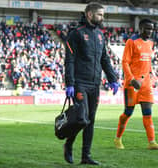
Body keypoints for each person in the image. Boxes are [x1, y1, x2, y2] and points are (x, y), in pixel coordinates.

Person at [64, 2, 119, 165]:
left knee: (91, 120)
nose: (102, 17)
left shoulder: (101, 35)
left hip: (95, 84)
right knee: (81, 119)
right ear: (89, 14)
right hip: (80, 83)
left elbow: (104, 59)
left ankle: (85, 156)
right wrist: (70, 83)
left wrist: (113, 78)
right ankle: (68, 144)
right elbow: (70, 60)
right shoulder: (76, 34)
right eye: (100, 14)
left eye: (103, 15)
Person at [114, 18, 158, 150]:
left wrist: (150, 74)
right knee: (128, 112)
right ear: (140, 28)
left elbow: (147, 62)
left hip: (146, 84)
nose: (149, 31)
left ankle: (151, 142)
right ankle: (118, 139)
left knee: (148, 113)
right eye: (147, 28)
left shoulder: (151, 43)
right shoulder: (131, 41)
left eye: (151, 29)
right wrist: (131, 78)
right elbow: (125, 62)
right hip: (132, 84)